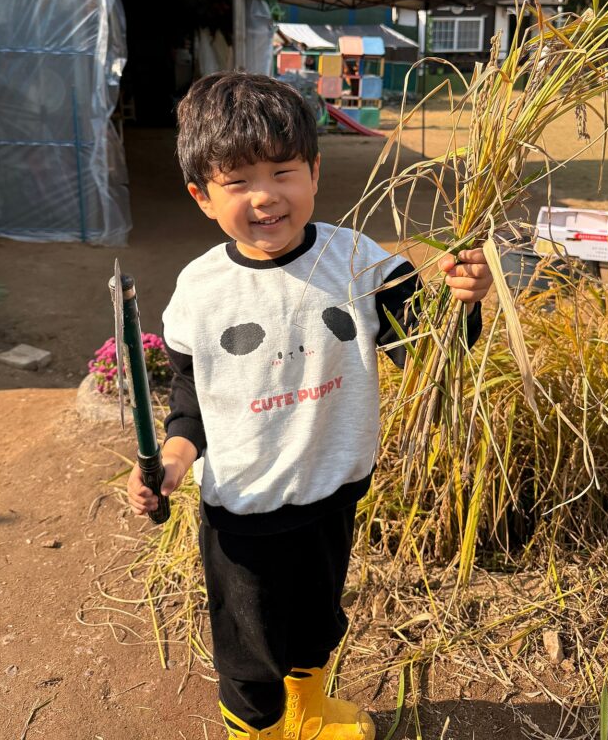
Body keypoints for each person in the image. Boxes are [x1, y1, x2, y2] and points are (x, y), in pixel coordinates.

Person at [127, 72, 493, 740]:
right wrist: (174, 459)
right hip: (244, 511)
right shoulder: (201, 292)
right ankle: (259, 733)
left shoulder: (359, 263)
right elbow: (188, 400)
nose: (266, 195)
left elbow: (432, 351)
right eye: (237, 182)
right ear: (202, 197)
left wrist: (463, 303)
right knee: (250, 651)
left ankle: (310, 713)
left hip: (333, 488)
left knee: (318, 619)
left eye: (283, 171)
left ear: (315, 172)